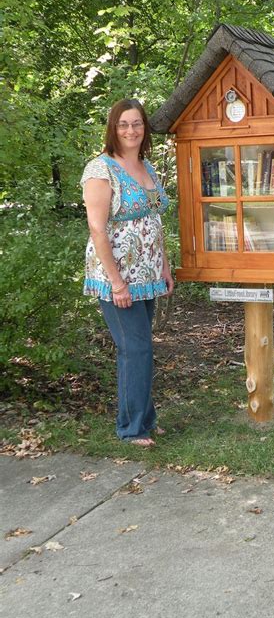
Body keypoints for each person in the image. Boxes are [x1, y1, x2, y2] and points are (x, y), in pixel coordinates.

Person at [81, 99, 174, 447]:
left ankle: (144, 418)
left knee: (140, 347)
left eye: (137, 124)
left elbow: (154, 221)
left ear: (144, 128)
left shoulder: (146, 167)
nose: (131, 130)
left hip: (147, 273)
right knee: (135, 348)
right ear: (113, 129)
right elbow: (97, 228)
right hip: (117, 277)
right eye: (123, 124)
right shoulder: (100, 169)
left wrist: (163, 264)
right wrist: (118, 282)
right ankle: (131, 427)